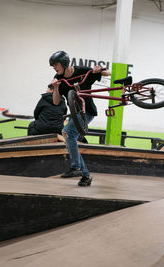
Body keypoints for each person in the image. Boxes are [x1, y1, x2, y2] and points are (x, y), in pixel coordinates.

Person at [49, 51, 110, 187]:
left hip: (87, 112)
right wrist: (56, 88)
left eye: (56, 65)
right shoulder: (58, 78)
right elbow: (56, 101)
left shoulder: (83, 71)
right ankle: (85, 176)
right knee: (68, 136)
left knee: (67, 133)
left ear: (64, 63)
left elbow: (108, 73)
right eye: (52, 66)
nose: (54, 67)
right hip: (75, 114)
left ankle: (76, 167)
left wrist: (98, 69)